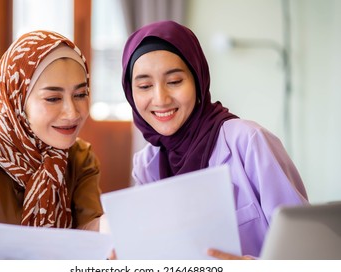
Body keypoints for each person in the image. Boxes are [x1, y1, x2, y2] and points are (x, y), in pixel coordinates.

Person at [121, 20, 309, 259]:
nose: (160, 98)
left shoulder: (248, 142)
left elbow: (306, 246)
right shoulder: (146, 166)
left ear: (198, 81)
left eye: (175, 81)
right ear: (130, 93)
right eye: (145, 85)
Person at [0, 30, 103, 259]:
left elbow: (90, 238)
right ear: (17, 100)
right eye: (53, 98)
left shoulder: (80, 157)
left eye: (81, 94)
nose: (73, 112)